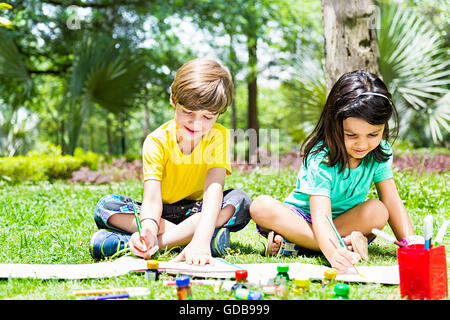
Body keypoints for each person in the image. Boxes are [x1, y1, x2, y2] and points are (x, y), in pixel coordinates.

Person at [250, 70, 416, 272]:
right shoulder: (321, 158)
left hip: (346, 220)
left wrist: (411, 244)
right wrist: (334, 253)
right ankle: (337, 244)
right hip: (303, 218)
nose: (362, 144)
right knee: (260, 206)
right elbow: (321, 216)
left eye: (373, 134)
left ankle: (297, 244)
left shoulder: (381, 152)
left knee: (379, 210)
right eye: (351, 135)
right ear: (334, 125)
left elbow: (391, 200)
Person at [90, 58, 251, 265]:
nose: (196, 123)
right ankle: (201, 239)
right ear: (173, 100)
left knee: (240, 200)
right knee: (106, 206)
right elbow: (151, 201)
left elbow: (213, 190)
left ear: (218, 114)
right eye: (188, 112)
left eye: (208, 117)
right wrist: (148, 229)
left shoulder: (218, 136)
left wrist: (199, 238)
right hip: (161, 215)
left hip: (197, 211)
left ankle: (151, 244)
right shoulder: (156, 141)